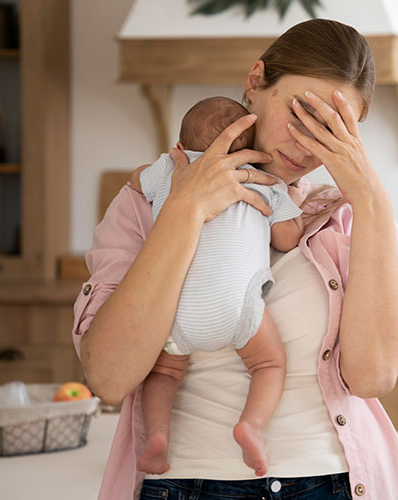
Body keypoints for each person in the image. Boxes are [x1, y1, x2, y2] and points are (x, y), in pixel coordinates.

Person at [72, 18, 398, 500]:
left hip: (333, 482)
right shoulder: (146, 202)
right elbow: (109, 377)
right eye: (300, 117)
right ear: (255, 83)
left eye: (333, 131)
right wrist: (185, 209)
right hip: (186, 484)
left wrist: (371, 198)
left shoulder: (348, 218)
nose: (306, 146)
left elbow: (372, 376)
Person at [129, 96, 306, 476]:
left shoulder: (169, 169)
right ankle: (251, 426)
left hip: (175, 309)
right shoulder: (265, 181)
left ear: (179, 148)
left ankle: (157, 436)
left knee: (163, 374)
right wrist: (291, 201)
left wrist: (163, 166)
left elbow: (133, 182)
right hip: (237, 307)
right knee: (269, 364)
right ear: (254, 152)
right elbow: (289, 239)